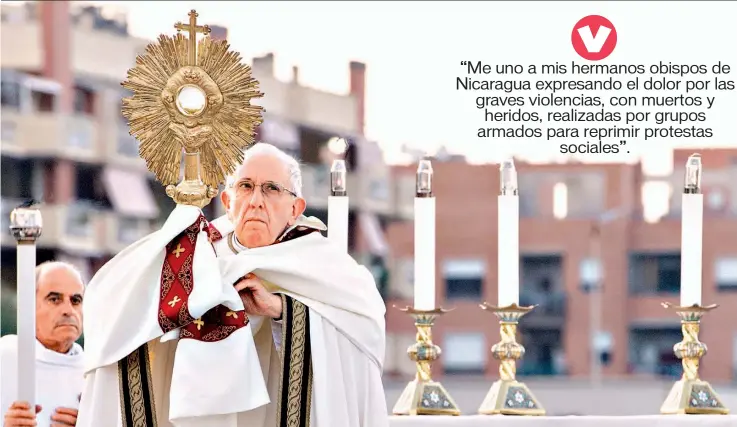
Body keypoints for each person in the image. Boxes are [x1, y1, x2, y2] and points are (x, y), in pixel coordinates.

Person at [77, 143, 388, 427]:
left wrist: (282, 310)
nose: (255, 201)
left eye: (271, 189)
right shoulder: (195, 256)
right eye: (246, 186)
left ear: (296, 208)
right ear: (227, 201)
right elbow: (114, 301)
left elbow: (364, 333)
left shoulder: (327, 266)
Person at [1, 261, 86, 427]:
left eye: (76, 300)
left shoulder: (96, 374)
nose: (68, 310)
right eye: (55, 299)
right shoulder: (5, 357)